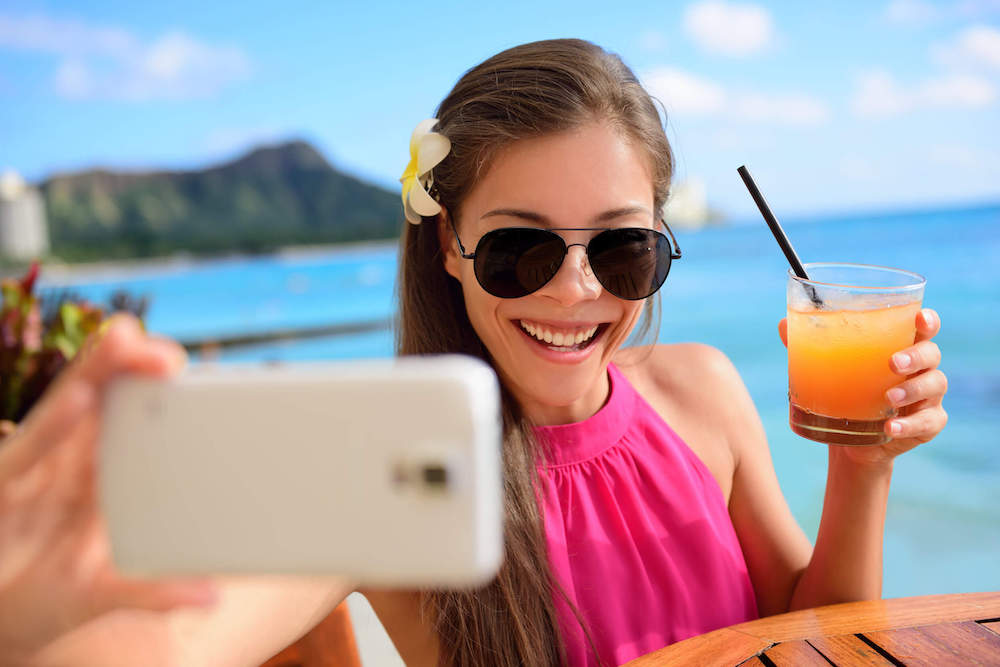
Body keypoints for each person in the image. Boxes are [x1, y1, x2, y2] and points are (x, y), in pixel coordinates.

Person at [1, 39, 947, 667]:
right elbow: (174, 639)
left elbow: (824, 638)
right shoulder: (398, 471)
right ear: (449, 244)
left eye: (620, 248)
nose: (576, 290)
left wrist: (860, 464)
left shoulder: (702, 389)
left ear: (661, 240)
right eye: (519, 249)